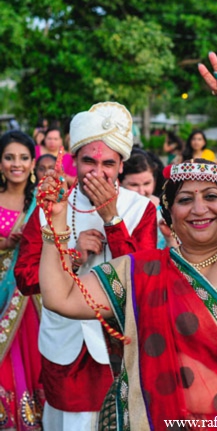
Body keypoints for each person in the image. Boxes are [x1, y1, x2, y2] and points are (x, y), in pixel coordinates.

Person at [36, 52, 217, 430]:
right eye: (185, 199)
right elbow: (61, 299)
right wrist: (54, 227)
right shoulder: (141, 271)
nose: (199, 208)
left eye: (212, 196)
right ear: (168, 219)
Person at [14, 101, 157, 431]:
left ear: (121, 166)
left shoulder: (140, 210)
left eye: (108, 163)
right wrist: (72, 257)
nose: (98, 172)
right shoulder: (51, 205)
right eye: (88, 161)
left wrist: (112, 219)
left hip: (120, 345)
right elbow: (24, 277)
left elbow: (143, 279)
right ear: (74, 162)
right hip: (63, 343)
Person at [0, 130, 44, 430]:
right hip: (2, 292)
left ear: (32, 162)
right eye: (9, 157)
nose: (17, 164)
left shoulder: (44, 199)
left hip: (31, 296)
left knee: (29, 356)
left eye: (24, 158)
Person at [118, 149, 175, 249]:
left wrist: (170, 238)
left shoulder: (166, 209)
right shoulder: (113, 212)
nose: (141, 191)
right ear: (120, 183)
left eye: (147, 183)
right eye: (134, 185)